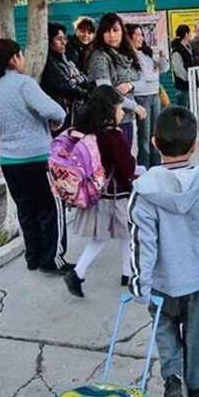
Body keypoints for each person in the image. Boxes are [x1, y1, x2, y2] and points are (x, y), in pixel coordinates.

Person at [128, 106, 199, 397]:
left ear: (154, 143)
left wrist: (140, 283)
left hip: (163, 280)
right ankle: (195, 383)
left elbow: (141, 242)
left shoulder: (143, 192)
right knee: (197, 331)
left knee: (163, 324)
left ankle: (172, 373)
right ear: (195, 145)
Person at [0, 38, 70, 274]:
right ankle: (52, 260)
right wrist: (54, 122)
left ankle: (33, 257)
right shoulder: (24, 84)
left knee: (26, 210)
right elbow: (55, 111)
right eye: (21, 55)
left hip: (8, 161)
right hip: (37, 158)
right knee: (50, 209)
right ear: (14, 58)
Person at [64, 87, 136, 298]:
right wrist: (133, 165)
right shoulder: (113, 136)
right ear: (110, 109)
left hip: (98, 191)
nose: (122, 113)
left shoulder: (89, 132)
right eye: (120, 108)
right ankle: (79, 273)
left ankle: (126, 274)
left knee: (114, 234)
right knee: (116, 235)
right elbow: (126, 168)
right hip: (116, 193)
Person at [86, 12, 147, 151]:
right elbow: (106, 92)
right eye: (107, 31)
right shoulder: (99, 56)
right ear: (101, 34)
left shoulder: (127, 54)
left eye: (115, 30)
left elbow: (143, 81)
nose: (112, 35)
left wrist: (130, 85)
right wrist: (135, 107)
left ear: (122, 32)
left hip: (128, 118)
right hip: (109, 121)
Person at [128, 23, 169, 167]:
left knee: (155, 134)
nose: (141, 38)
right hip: (141, 97)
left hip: (154, 95)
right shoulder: (128, 57)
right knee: (144, 136)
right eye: (137, 35)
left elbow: (163, 69)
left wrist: (163, 56)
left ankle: (156, 166)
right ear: (129, 37)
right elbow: (146, 77)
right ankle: (144, 167)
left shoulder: (147, 53)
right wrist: (152, 75)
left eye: (142, 35)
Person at [41, 22, 92, 132]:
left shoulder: (66, 58)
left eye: (64, 38)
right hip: (60, 119)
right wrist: (88, 94)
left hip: (75, 114)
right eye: (59, 39)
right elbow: (66, 86)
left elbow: (82, 77)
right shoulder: (48, 62)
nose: (64, 42)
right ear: (49, 41)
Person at [169, 24, 193, 108]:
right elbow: (178, 70)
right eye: (190, 33)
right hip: (183, 87)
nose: (191, 35)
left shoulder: (187, 47)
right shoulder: (177, 50)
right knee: (183, 110)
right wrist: (189, 78)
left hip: (189, 85)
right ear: (186, 34)